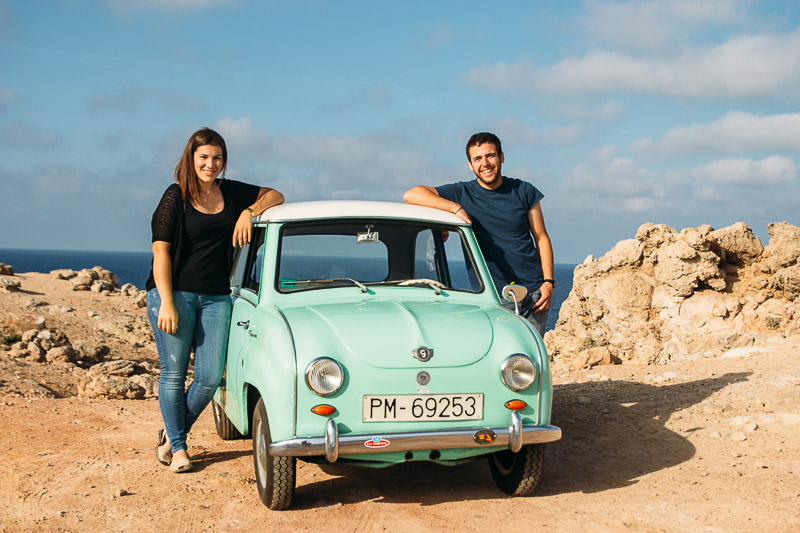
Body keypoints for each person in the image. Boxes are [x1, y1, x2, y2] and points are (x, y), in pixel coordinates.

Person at [145, 127, 284, 473]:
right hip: (173, 294)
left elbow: (275, 195)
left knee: (209, 378)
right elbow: (160, 252)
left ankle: (171, 434)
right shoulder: (174, 196)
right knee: (174, 376)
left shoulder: (231, 192)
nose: (211, 164)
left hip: (217, 297)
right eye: (204, 157)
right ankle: (178, 449)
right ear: (190, 159)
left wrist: (248, 213)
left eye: (217, 157)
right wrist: (165, 301)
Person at [403, 132, 555, 336]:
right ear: (470, 165)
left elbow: (541, 237)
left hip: (534, 292)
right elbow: (412, 194)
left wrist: (548, 283)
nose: (485, 163)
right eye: (478, 159)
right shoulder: (462, 193)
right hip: (492, 295)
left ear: (501, 157)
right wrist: (454, 209)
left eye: (490, 156)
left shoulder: (524, 190)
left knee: (530, 358)